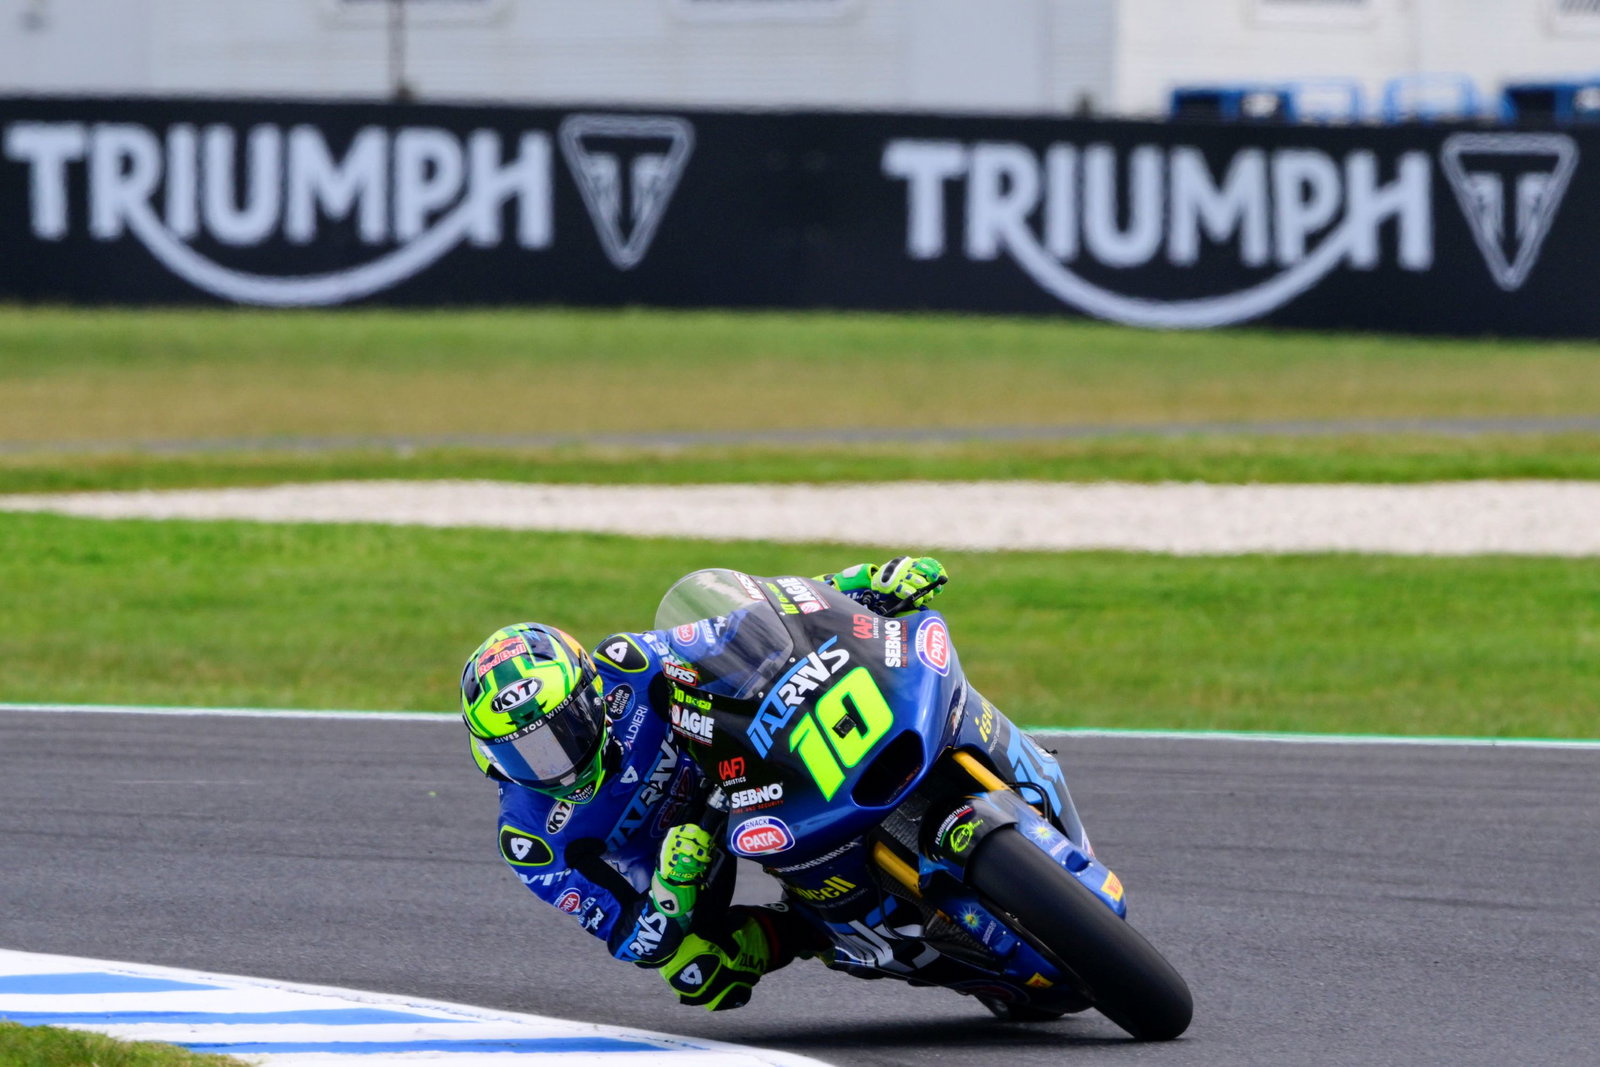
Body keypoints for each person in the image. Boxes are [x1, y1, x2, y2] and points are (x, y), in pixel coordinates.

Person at [458, 556, 948, 1011]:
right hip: (687, 857)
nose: (553, 762)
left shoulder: (626, 666)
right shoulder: (529, 838)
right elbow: (630, 939)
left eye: (563, 731)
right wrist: (672, 891)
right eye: (521, 752)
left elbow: (748, 624)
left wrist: (862, 585)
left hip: (735, 765)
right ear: (489, 755)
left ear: (593, 696)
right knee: (697, 972)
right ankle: (816, 933)